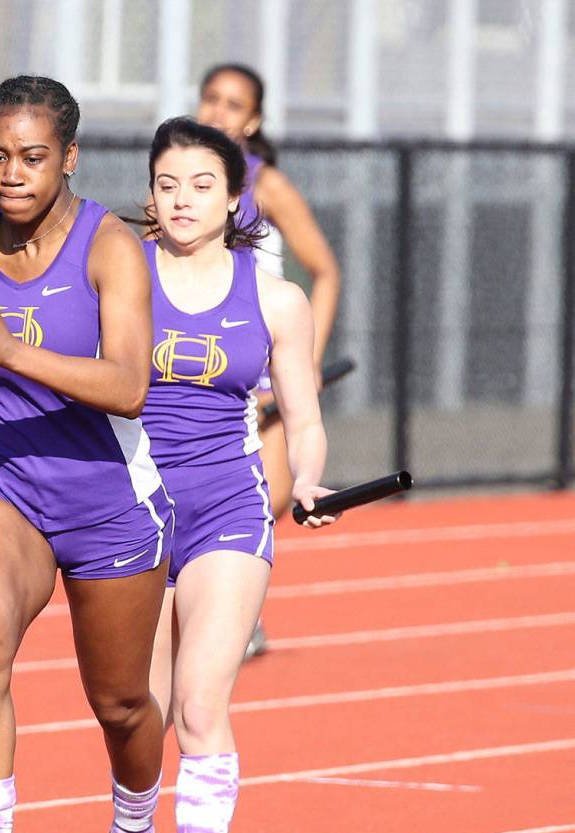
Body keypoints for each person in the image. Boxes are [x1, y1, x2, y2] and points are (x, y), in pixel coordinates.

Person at [0, 75, 173, 833]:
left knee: (119, 703)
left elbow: (128, 387)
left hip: (108, 499)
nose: (12, 174)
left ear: (68, 158)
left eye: (32, 157)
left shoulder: (111, 248)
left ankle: (135, 831)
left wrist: (12, 350)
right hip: (10, 482)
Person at [137, 117, 338, 833]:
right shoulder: (117, 276)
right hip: (130, 514)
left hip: (227, 505)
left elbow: (303, 416)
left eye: (201, 185)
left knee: (197, 700)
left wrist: (309, 479)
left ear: (232, 198)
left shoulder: (272, 296)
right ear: (149, 193)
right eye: (167, 184)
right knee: (135, 711)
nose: (182, 200)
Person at [197, 63, 341, 657]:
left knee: (268, 499)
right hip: (197, 369)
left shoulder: (268, 186)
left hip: (262, 377)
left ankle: (237, 614)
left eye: (234, 104)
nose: (218, 112)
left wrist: (304, 368)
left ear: (253, 120)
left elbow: (326, 271)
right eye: (211, 99)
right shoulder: (179, 179)